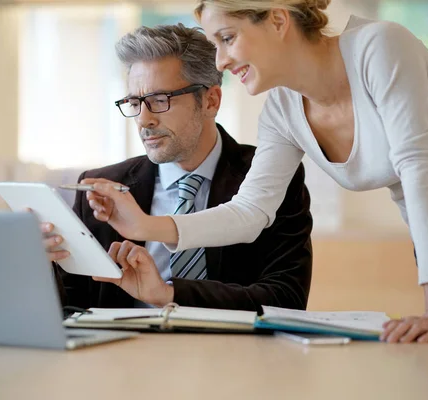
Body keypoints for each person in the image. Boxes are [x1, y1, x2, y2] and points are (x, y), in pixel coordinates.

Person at [84, 0, 428, 351]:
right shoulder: (282, 108)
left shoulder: (380, 47)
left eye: (227, 38)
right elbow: (249, 212)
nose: (221, 61)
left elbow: (419, 166)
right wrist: (146, 226)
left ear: (278, 20)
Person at [43, 23, 313, 312]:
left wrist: (169, 293)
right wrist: (42, 265)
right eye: (135, 102)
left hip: (232, 354)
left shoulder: (269, 177)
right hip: (123, 355)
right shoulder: (102, 187)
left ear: (211, 100)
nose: (144, 120)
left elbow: (286, 298)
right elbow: (73, 307)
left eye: (160, 100)